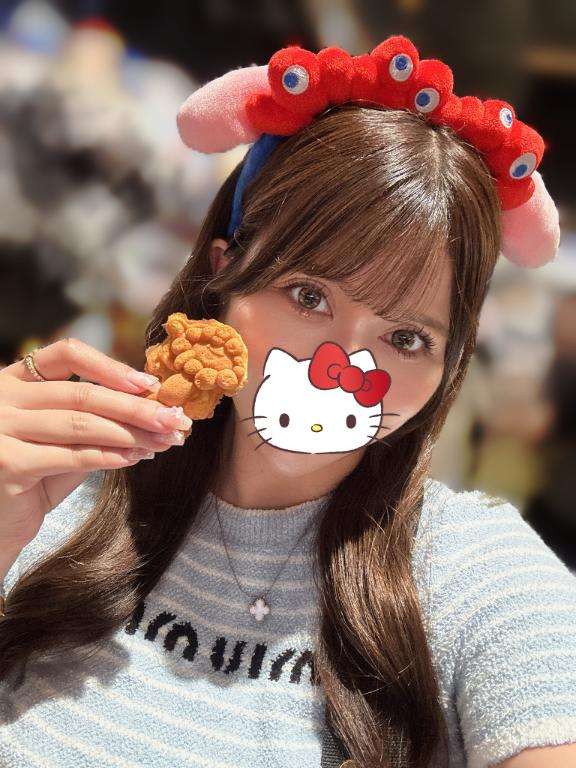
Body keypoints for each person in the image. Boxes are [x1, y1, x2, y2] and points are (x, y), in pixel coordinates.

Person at [0, 34, 575, 768]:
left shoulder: (475, 571)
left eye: (406, 338)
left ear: (450, 364)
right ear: (224, 273)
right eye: (308, 296)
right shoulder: (50, 490)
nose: (342, 366)